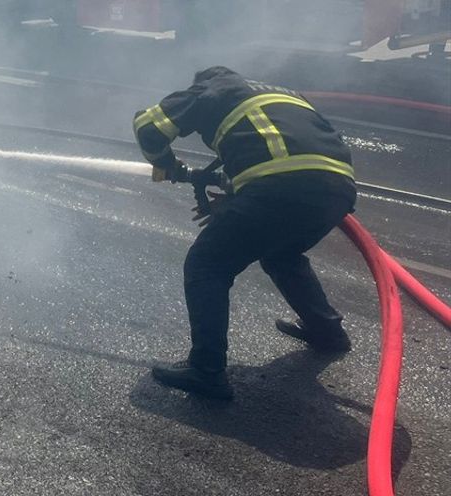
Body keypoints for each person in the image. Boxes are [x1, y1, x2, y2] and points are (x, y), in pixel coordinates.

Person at [134, 66, 356, 400]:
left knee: (207, 264)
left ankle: (206, 371)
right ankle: (327, 331)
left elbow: (148, 126)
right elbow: (286, 148)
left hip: (278, 186)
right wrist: (241, 197)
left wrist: (166, 165)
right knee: (281, 252)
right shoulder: (284, 94)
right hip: (338, 188)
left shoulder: (212, 89)